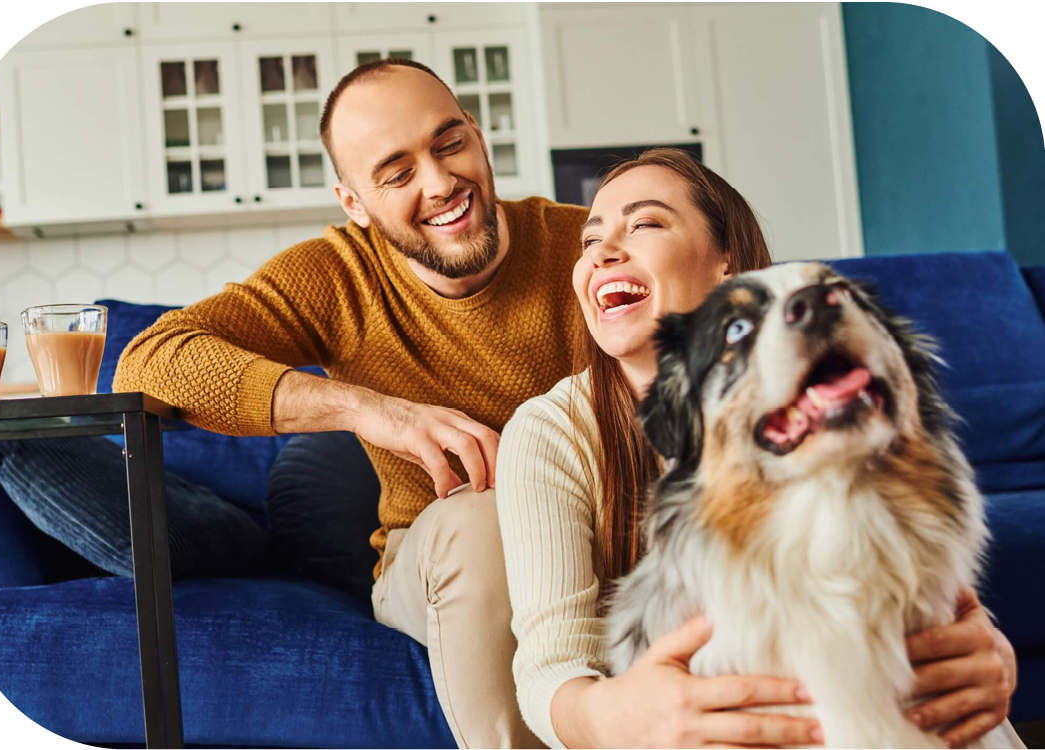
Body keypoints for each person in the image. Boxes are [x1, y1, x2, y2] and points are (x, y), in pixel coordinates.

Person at [115, 58, 587, 750]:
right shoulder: (335, 275)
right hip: (439, 556)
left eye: (450, 143)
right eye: (397, 174)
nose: (440, 182)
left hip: (592, 534)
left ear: (479, 138)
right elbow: (151, 361)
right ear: (354, 204)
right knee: (483, 520)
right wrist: (370, 410)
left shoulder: (586, 245)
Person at [495, 148, 1022, 750]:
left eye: (643, 223)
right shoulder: (550, 429)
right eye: (590, 239)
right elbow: (549, 667)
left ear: (726, 265)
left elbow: (926, 556)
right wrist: (619, 716)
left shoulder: (829, 399)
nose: (603, 251)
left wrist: (990, 651)